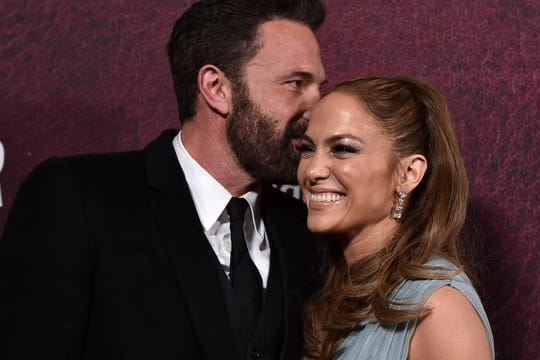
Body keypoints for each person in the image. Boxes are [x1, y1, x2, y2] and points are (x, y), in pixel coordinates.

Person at [0, 1, 326, 359]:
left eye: (319, 87)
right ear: (217, 87)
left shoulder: (302, 229)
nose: (318, 108)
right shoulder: (80, 199)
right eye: (296, 84)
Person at [297, 77, 495, 359]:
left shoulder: (440, 309)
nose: (313, 170)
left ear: (409, 173)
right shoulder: (332, 292)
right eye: (307, 149)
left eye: (343, 148)